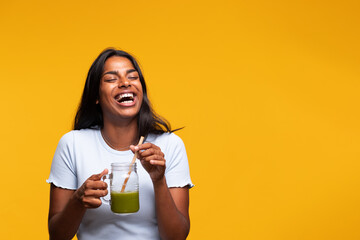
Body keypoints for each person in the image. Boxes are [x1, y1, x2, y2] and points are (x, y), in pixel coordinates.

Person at [47, 48, 193, 240]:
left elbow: (177, 237)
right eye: (111, 79)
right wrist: (77, 201)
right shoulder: (72, 144)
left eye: (133, 77)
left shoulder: (170, 146)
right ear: (96, 96)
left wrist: (159, 181)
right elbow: (57, 236)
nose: (125, 83)